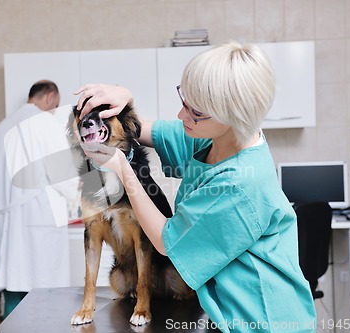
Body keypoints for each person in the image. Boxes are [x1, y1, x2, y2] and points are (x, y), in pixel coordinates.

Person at [74, 41, 316, 332]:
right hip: (227, 312)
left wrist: (125, 170)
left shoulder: (237, 185)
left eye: (195, 111)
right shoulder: (218, 138)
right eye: (184, 101)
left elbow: (166, 242)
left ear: (232, 115)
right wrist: (126, 101)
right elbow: (146, 130)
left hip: (262, 320)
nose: (181, 116)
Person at [0, 80, 79, 318]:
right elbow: (66, 177)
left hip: (9, 225)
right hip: (39, 219)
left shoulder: (2, 127)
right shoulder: (44, 123)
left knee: (14, 285)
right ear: (50, 97)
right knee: (44, 293)